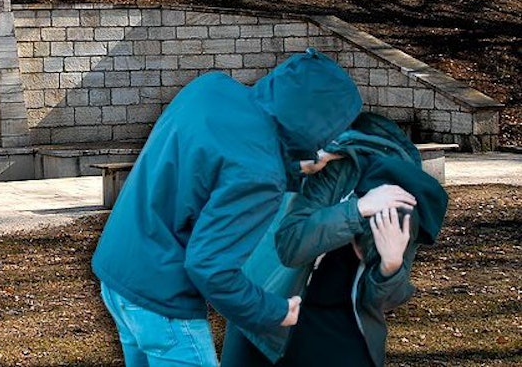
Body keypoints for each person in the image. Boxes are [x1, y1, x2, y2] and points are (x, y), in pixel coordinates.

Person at [91, 48, 364, 367]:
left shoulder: (210, 87)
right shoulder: (260, 173)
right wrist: (278, 312)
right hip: (161, 298)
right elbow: (210, 269)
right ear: (322, 122)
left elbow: (222, 164)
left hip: (117, 273)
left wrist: (298, 168)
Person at [220, 112, 449, 367]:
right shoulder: (319, 169)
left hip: (338, 336)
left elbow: (382, 299)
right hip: (265, 312)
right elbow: (291, 246)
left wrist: (390, 266)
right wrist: (357, 209)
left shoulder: (403, 204)